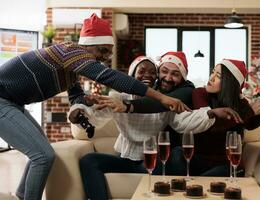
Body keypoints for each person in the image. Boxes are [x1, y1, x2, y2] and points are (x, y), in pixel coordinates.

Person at [0, 14, 187, 200]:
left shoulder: (71, 68)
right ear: (88, 45)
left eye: (108, 53)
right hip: (2, 101)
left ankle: (22, 195)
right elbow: (111, 77)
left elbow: (76, 96)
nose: (104, 58)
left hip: (13, 103)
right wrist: (162, 98)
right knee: (43, 156)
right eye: (103, 51)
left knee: (40, 152)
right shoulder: (70, 51)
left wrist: (81, 107)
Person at [70, 55, 243, 200]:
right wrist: (78, 113)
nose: (148, 75)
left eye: (152, 73)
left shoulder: (164, 103)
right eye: (142, 71)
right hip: (126, 159)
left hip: (151, 163)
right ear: (131, 76)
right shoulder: (117, 97)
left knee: (175, 155)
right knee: (88, 160)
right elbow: (95, 115)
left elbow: (185, 122)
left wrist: (211, 113)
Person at [169, 59, 260, 176]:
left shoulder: (240, 103)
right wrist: (249, 111)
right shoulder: (200, 93)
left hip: (223, 164)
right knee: (177, 153)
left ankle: (195, 185)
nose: (211, 78)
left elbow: (249, 124)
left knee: (210, 180)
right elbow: (211, 125)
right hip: (196, 159)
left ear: (230, 83)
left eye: (218, 76)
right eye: (212, 72)